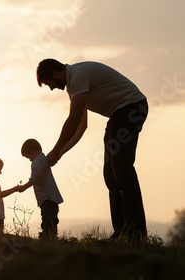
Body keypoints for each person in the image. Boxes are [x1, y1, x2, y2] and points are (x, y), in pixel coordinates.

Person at [36, 58, 148, 241]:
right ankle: (121, 231)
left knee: (122, 169)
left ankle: (137, 233)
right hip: (119, 115)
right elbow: (82, 126)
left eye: (50, 84)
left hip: (132, 108)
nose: (52, 88)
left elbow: (73, 120)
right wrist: (61, 152)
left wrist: (55, 150)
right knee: (110, 174)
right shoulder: (74, 86)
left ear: (56, 74)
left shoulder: (78, 76)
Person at [17, 139, 63, 239]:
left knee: (47, 219)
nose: (29, 159)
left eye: (29, 157)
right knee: (52, 220)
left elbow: (35, 178)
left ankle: (46, 238)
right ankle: (51, 237)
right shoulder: (42, 159)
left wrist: (24, 187)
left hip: (47, 198)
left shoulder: (38, 161)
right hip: (50, 197)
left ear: (32, 153)